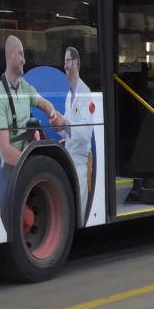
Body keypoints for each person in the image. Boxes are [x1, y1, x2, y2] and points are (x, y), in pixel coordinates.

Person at [0, 34, 62, 168]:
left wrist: (52, 114)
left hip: (28, 157)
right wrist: (34, 165)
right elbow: (6, 152)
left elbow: (45, 104)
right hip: (13, 166)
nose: (24, 60)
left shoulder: (24, 86)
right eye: (21, 54)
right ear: (11, 54)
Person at [60, 46, 93, 220]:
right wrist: (59, 126)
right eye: (64, 61)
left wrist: (66, 123)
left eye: (67, 61)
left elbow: (86, 134)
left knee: (78, 214)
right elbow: (69, 132)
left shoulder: (85, 93)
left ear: (76, 63)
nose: (64, 65)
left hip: (80, 162)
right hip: (69, 160)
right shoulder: (69, 95)